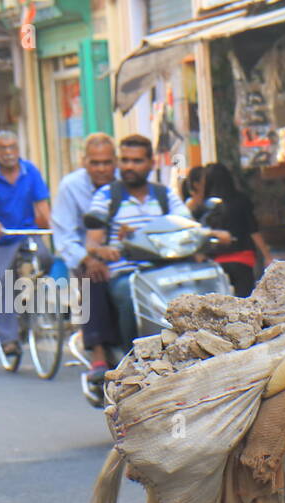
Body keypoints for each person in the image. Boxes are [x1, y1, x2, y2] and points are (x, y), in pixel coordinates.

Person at [84, 134, 192, 348]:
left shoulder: (164, 195)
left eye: (137, 161)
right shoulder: (107, 196)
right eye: (125, 160)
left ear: (151, 164)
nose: (129, 166)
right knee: (130, 295)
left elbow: (186, 224)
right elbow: (92, 242)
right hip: (127, 274)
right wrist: (102, 250)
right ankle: (132, 355)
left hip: (166, 270)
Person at [0, 130, 52, 357]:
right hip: (3, 237)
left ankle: (34, 306)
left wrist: (48, 224)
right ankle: (8, 338)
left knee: (46, 258)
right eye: (3, 148)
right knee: (1, 283)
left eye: (12, 148)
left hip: (27, 233)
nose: (8, 153)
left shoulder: (30, 171)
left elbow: (42, 203)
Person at [50, 132, 119, 394]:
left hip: (124, 253)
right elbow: (65, 236)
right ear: (85, 162)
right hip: (84, 254)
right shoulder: (71, 186)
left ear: (115, 162)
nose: (101, 168)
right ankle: (98, 352)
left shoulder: (125, 181)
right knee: (93, 279)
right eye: (95, 163)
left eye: (106, 162)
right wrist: (88, 258)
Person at [197, 162, 273, 297]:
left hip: (216, 263)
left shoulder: (206, 206)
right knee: (244, 302)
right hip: (243, 259)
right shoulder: (241, 200)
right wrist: (267, 255)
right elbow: (253, 230)